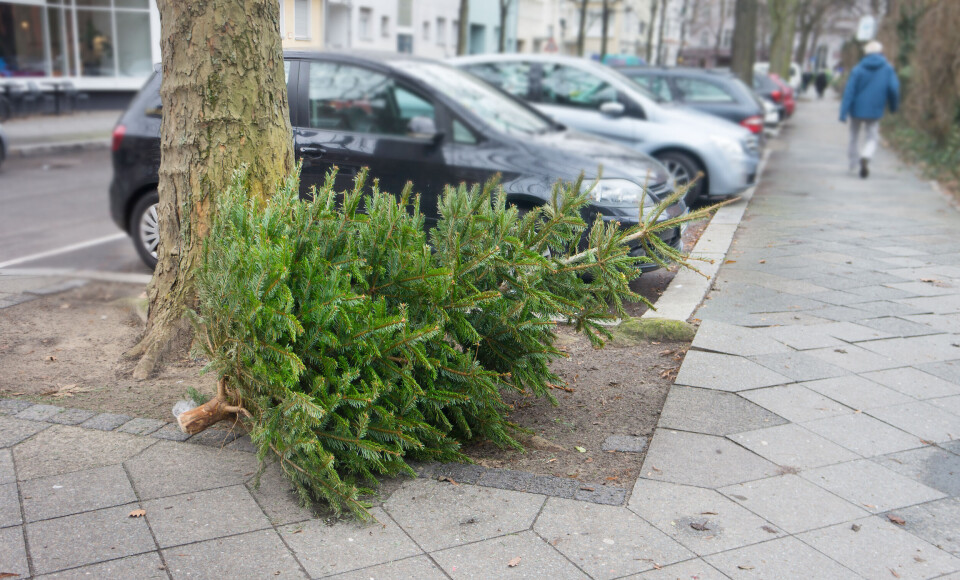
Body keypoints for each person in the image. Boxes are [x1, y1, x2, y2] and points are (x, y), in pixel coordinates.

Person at [839, 41, 900, 178]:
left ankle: (853, 163)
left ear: (865, 53)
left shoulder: (858, 69)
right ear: (880, 52)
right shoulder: (888, 69)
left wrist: (843, 112)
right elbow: (893, 89)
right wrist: (893, 106)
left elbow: (849, 91)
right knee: (872, 137)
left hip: (856, 109)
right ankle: (866, 155)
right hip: (875, 109)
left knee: (853, 136)